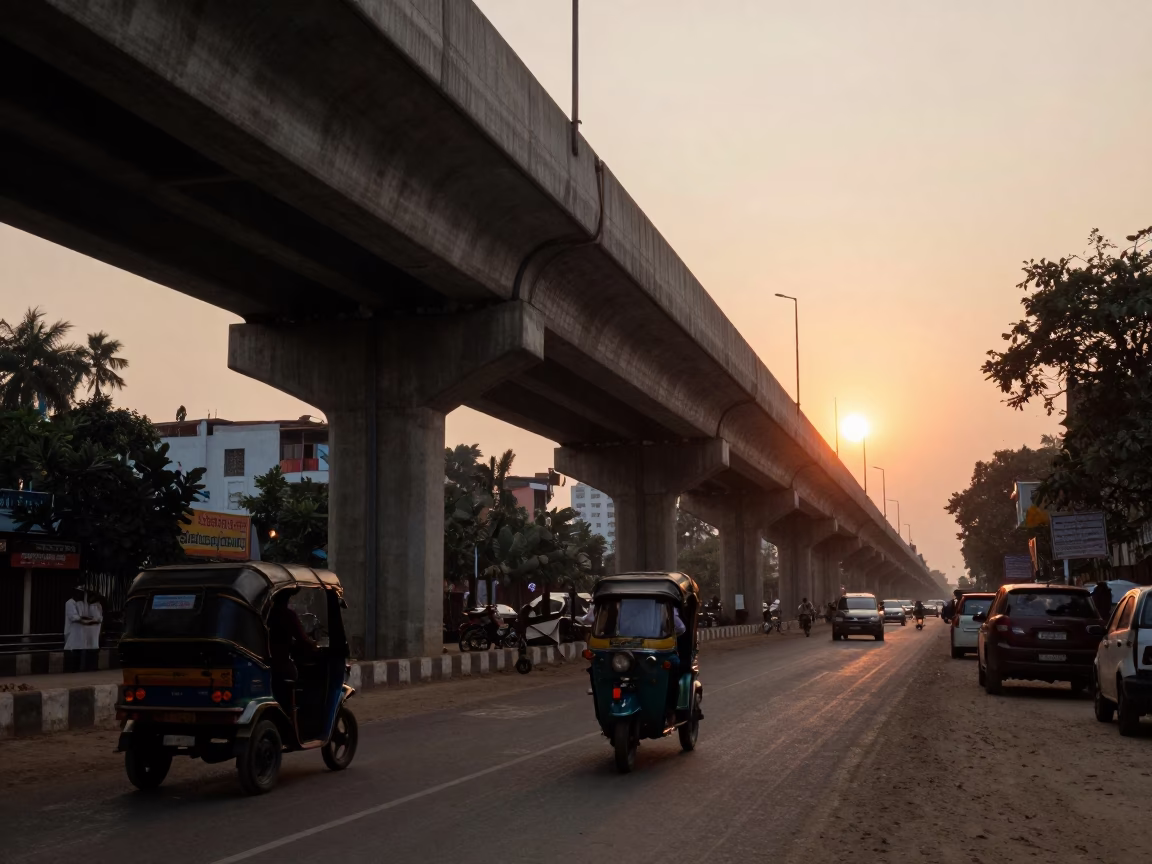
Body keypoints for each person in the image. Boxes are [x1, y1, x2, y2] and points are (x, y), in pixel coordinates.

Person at [268, 589, 317, 707]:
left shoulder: (267, 614)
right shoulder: (288, 615)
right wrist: (313, 646)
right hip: (281, 665)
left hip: (266, 664)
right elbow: (302, 639)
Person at [63, 587, 100, 673]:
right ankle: (70, 670)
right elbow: (73, 617)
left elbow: (83, 615)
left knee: (79, 650)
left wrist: (89, 619)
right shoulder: (69, 603)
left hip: (81, 632)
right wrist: (86, 621)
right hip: (72, 631)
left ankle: (78, 668)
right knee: (71, 649)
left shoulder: (82, 604)